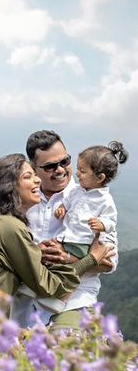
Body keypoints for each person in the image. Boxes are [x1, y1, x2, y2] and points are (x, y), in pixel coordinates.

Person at [0, 153, 112, 315]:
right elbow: (48, 286)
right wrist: (91, 259)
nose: (37, 180)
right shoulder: (9, 227)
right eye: (28, 176)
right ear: (9, 187)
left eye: (34, 174)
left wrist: (34, 252)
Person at [10, 131, 119, 331]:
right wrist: (35, 254)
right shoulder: (21, 201)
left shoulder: (94, 202)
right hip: (24, 303)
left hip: (74, 301)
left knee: (63, 354)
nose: (60, 170)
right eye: (50, 166)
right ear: (34, 168)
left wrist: (67, 258)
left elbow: (109, 261)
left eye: (65, 162)